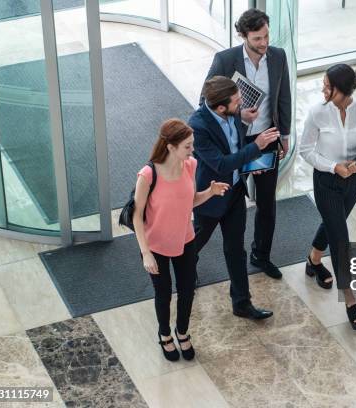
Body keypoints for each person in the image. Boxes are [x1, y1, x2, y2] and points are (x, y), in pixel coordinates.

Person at [203, 8, 292, 280]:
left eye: (266, 36)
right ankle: (189, 256)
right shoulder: (225, 60)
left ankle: (261, 255)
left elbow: (283, 97)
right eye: (257, 39)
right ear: (243, 36)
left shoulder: (277, 56)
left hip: (265, 139)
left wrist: (284, 135)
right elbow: (204, 103)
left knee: (267, 203)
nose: (264, 43)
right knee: (219, 206)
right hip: (234, 144)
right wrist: (238, 113)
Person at [299, 64, 356, 331]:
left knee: (332, 223)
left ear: (344, 90)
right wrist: (332, 166)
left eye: (328, 86)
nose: (323, 90)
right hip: (326, 180)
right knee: (340, 236)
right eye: (324, 84)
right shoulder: (317, 113)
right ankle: (349, 299)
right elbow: (305, 150)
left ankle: (314, 260)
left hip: (353, 181)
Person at [133, 118, 230, 361]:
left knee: (187, 290)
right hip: (155, 245)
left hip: (185, 239)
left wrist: (210, 192)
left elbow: (189, 200)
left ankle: (182, 331)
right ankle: (165, 334)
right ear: (171, 147)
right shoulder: (148, 174)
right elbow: (136, 215)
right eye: (187, 146)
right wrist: (145, 252)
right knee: (163, 293)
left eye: (192, 145)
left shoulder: (190, 166)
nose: (192, 150)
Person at [189, 76, 280, 319]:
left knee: (235, 250)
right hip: (210, 195)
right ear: (220, 107)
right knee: (195, 242)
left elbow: (235, 151)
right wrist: (256, 147)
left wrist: (250, 163)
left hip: (235, 191)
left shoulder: (234, 115)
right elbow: (220, 164)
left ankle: (242, 303)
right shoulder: (198, 126)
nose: (242, 104)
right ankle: (185, 268)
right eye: (237, 102)